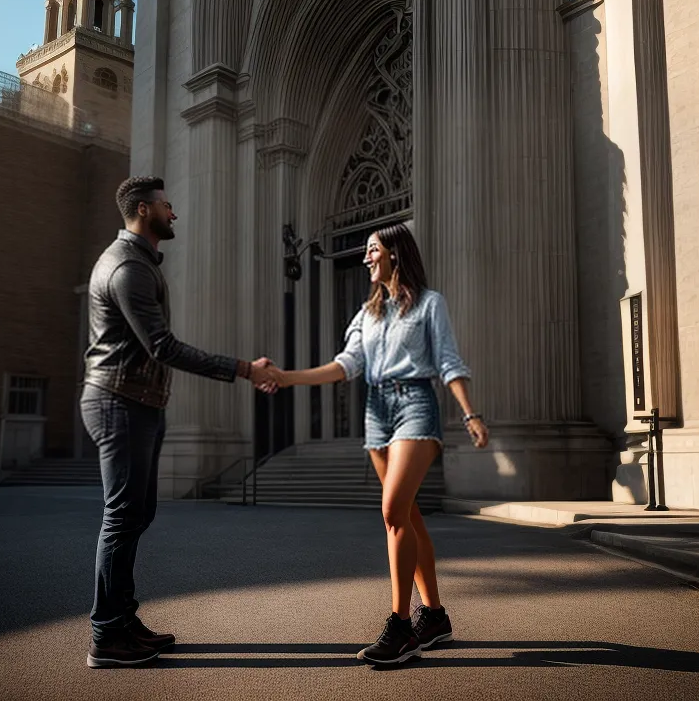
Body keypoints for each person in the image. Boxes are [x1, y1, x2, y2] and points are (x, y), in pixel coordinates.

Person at [267, 222, 488, 665]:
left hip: (415, 405)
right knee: (407, 514)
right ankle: (435, 616)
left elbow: (448, 361)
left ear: (394, 254)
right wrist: (287, 378)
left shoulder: (429, 304)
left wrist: (469, 413)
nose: (366, 257)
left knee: (392, 512)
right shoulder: (367, 314)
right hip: (376, 412)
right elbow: (345, 365)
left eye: (372, 250)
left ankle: (401, 626)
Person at [80, 175, 277, 669]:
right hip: (119, 401)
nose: (174, 212)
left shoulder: (139, 262)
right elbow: (162, 346)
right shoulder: (127, 267)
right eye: (166, 205)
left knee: (136, 515)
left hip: (138, 402)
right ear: (143, 210)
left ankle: (123, 620)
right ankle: (107, 635)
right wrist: (243, 368)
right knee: (121, 517)